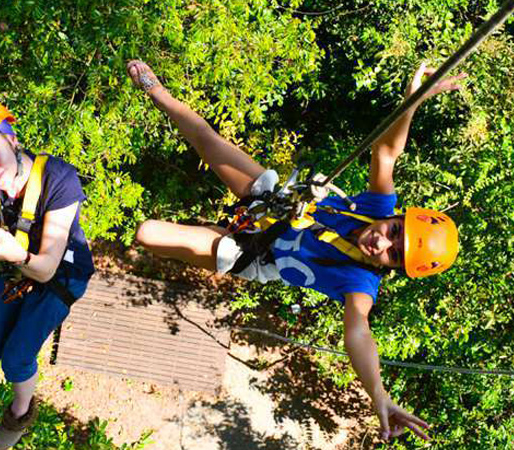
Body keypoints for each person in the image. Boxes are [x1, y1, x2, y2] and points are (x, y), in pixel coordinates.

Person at [128, 60, 465, 442]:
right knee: (208, 139)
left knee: (148, 233)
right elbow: (386, 153)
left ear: (393, 267)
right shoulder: (377, 205)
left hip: (254, 253)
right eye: (393, 232)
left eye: (393, 253)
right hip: (276, 203)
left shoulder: (360, 284)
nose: (382, 242)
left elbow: (358, 334)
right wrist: (414, 99)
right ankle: (157, 90)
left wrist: (378, 394)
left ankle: (210, 232)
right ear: (396, 217)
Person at [0, 93, 94, 449]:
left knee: (17, 357)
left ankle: (18, 416)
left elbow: (43, 269)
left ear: (11, 137)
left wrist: (16, 254)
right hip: (10, 266)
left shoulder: (60, 180)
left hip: (56, 277)